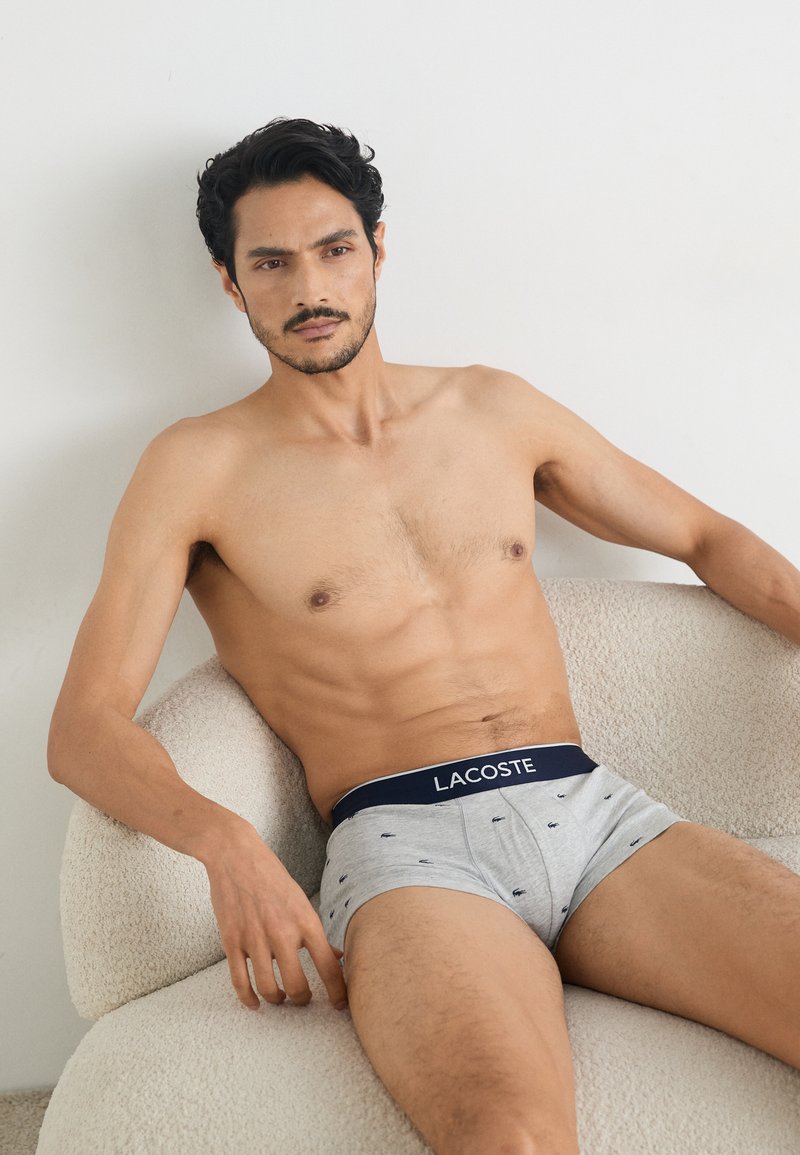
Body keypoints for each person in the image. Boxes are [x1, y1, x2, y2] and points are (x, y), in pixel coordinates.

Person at [48, 117, 800, 1155]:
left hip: (592, 816)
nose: (309, 287)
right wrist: (227, 844)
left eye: (333, 250)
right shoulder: (196, 467)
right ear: (230, 282)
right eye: (271, 262)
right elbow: (83, 728)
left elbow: (706, 538)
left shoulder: (491, 408)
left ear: (376, 250)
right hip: (407, 850)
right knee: (508, 1137)